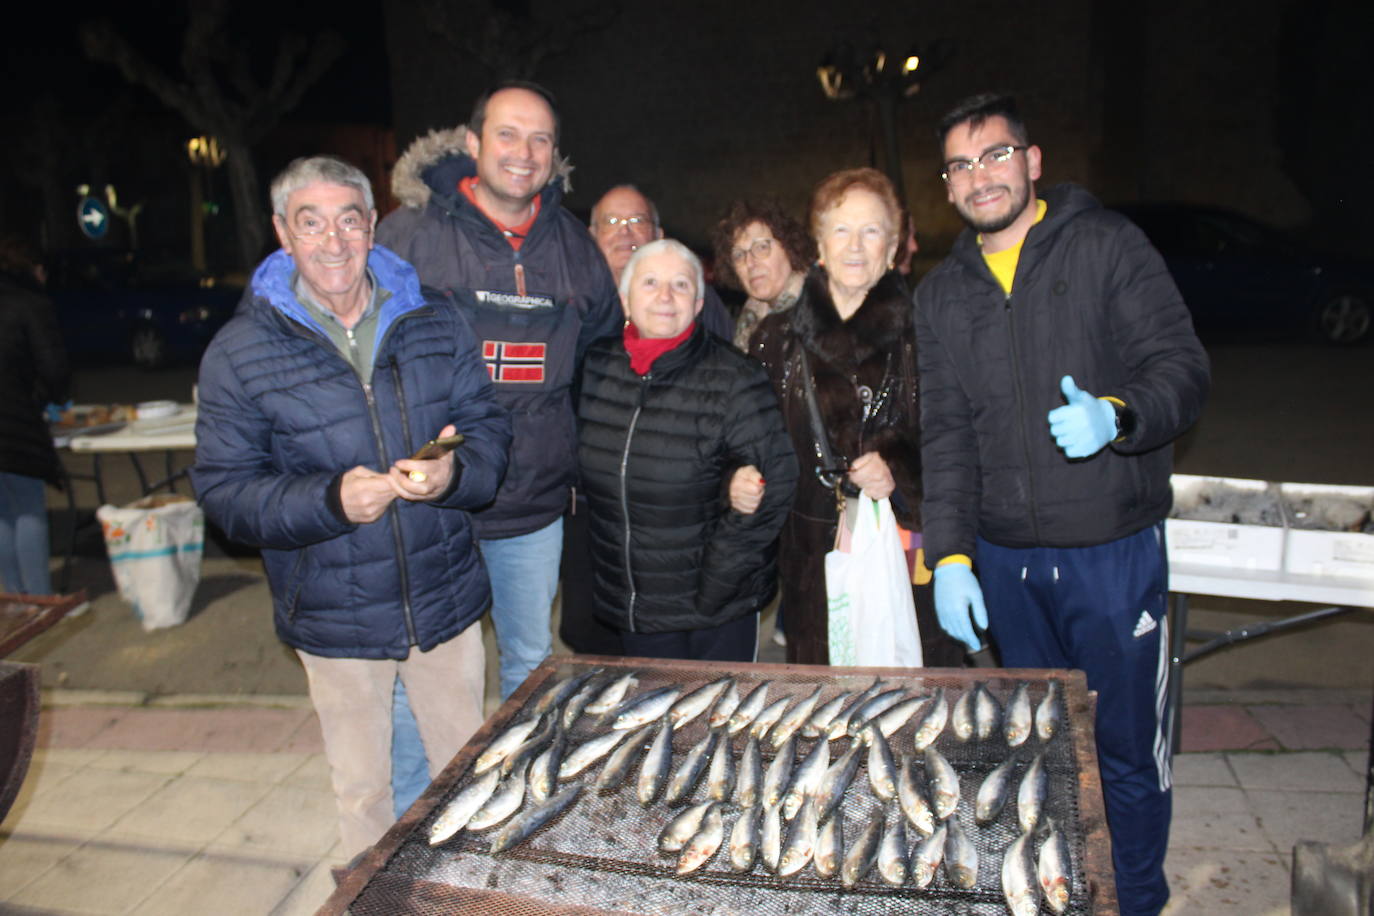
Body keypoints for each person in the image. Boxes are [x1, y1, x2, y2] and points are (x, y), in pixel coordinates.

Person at [914, 93, 1209, 916]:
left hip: (1109, 552)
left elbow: (1183, 371)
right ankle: (1059, 894)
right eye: (962, 165)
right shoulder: (941, 298)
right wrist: (954, 557)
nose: (982, 177)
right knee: (1036, 751)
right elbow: (946, 436)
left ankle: (1137, 900)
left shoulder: (1109, 246)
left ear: (1033, 160)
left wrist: (1118, 415)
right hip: (1006, 560)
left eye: (997, 155)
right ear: (947, 186)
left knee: (1122, 752)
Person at [191, 156, 512, 860]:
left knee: (469, 776)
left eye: (348, 219)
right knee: (363, 793)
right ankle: (373, 899)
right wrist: (329, 500)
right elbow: (224, 492)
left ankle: (472, 897)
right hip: (333, 615)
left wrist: (453, 472)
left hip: (445, 600)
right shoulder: (239, 353)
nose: (333, 241)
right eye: (311, 223)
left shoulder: (435, 318)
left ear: (372, 226)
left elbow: (486, 430)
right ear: (283, 233)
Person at [377, 82, 621, 698]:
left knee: (530, 663)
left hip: (532, 504)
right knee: (426, 671)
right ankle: (419, 795)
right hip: (432, 499)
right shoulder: (407, 235)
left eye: (541, 138)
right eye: (507, 133)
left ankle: (522, 786)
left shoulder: (573, 246)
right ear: (472, 142)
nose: (524, 151)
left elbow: (599, 355)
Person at [750, 168, 963, 668]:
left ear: (892, 249)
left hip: (905, 552)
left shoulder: (928, 337)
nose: (855, 245)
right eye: (841, 229)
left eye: (871, 231)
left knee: (909, 704)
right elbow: (755, 448)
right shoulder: (775, 340)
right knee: (826, 707)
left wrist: (900, 470)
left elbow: (958, 446)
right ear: (820, 245)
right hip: (813, 563)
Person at [578, 239, 796, 660]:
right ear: (625, 299)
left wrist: (719, 581)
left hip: (714, 609)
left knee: (718, 719)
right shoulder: (596, 366)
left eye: (680, 285)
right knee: (655, 717)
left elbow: (778, 482)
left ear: (698, 304)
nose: (664, 296)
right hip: (635, 605)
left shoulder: (736, 377)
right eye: (651, 283)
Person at [0, 237, 69, 595]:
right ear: (34, 270)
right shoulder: (29, 304)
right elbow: (53, 367)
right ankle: (41, 599)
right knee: (27, 509)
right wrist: (49, 398)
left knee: (1, 514)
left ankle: (13, 599)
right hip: (15, 424)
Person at [589, 185, 732, 339]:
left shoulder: (696, 297)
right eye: (611, 221)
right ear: (591, 236)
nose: (624, 231)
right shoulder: (578, 301)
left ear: (658, 235)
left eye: (638, 220)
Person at [712, 199, 814, 351]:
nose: (750, 263)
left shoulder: (819, 310)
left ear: (789, 248)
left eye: (761, 247)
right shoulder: (750, 319)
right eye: (739, 255)